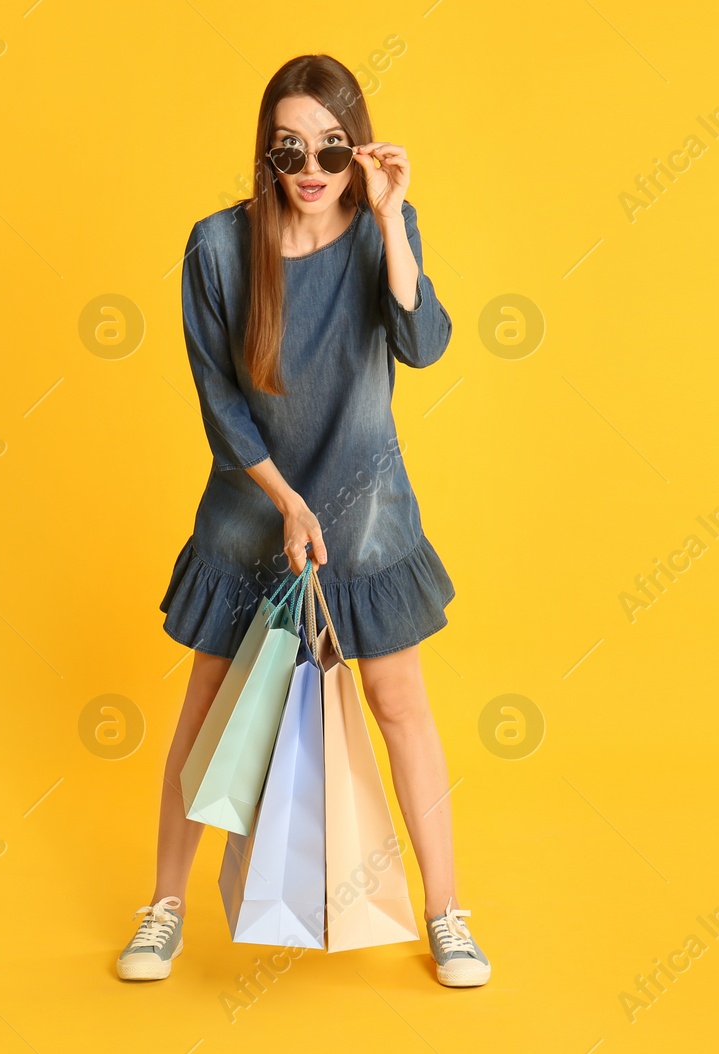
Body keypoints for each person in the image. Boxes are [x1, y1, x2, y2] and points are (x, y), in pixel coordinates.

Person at [117, 53, 489, 989]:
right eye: (291, 148)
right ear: (266, 153)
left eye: (332, 146)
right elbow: (220, 404)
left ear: (357, 148)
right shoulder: (216, 247)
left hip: (365, 520)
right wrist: (285, 505)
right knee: (210, 718)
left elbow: (425, 343)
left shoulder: (376, 233)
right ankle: (164, 906)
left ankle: (446, 914)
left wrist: (394, 216)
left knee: (400, 709)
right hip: (252, 513)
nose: (312, 167)